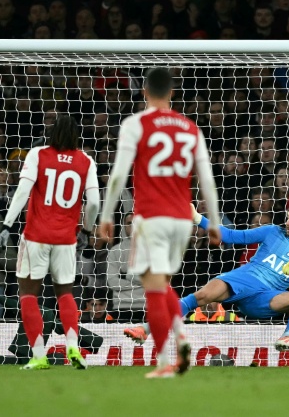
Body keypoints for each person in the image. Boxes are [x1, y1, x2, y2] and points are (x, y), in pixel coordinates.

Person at [98, 67, 221, 379]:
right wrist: (214, 222)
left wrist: (107, 215)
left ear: (143, 92)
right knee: (162, 284)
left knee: (152, 290)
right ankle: (181, 341)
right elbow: (206, 178)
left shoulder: (135, 124)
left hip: (151, 217)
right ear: (172, 93)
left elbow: (117, 175)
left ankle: (166, 360)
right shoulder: (190, 127)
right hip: (183, 219)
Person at [124, 201, 289, 353]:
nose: (287, 222)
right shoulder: (272, 231)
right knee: (202, 295)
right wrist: (198, 219)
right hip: (243, 279)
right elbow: (233, 236)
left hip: (267, 299)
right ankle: (146, 329)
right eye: (287, 217)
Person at [0, 115, 100, 371]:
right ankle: (73, 346)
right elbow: (95, 202)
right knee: (65, 294)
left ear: (52, 133)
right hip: (66, 239)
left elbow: (22, 191)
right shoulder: (86, 161)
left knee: (29, 294)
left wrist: (7, 225)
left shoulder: (37, 154)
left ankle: (39, 355)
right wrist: (85, 230)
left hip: (36, 237)